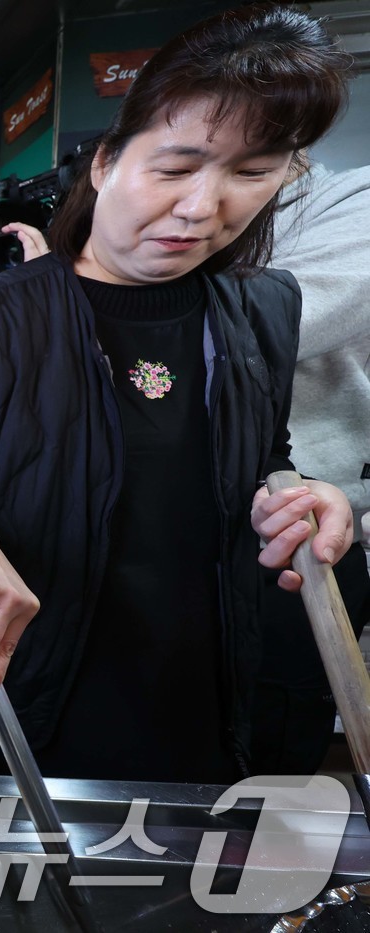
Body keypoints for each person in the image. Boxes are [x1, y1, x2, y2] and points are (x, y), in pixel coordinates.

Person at [0, 5, 353, 784]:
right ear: (105, 163)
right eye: (174, 168)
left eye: (252, 172)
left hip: (199, 707)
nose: (205, 206)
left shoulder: (264, 308)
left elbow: (262, 450)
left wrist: (293, 493)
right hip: (17, 712)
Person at [250, 162, 370, 773]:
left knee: (267, 773)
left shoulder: (353, 197)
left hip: (307, 516)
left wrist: (80, 303)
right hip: (175, 527)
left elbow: (289, 315)